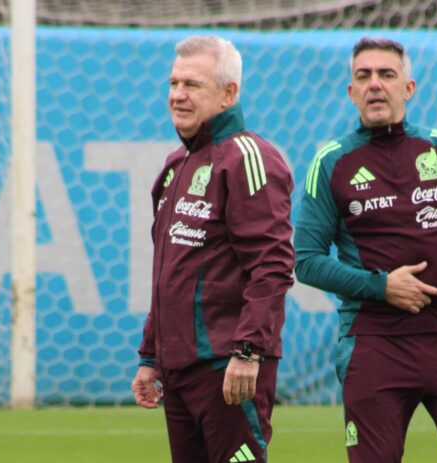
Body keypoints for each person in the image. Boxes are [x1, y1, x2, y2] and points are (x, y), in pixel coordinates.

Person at [294, 37, 437, 463]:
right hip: (372, 341)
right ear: (351, 91)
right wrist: (381, 286)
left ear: (408, 88)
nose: (375, 84)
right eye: (364, 76)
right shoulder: (331, 162)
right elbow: (306, 261)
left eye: (386, 74)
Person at [131, 35, 294, 463]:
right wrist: (151, 356)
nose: (178, 95)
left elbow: (273, 266)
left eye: (193, 85)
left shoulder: (247, 157)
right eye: (174, 83)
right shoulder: (175, 167)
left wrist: (247, 351)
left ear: (229, 93)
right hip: (180, 372)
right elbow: (169, 273)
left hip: (228, 366)